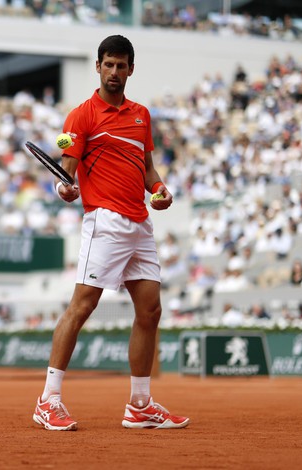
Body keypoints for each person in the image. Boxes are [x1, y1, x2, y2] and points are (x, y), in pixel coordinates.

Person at [32, 35, 189, 431]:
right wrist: (62, 188)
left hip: (140, 223)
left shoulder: (142, 115)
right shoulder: (80, 116)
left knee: (150, 310)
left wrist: (159, 189)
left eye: (121, 65)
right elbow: (66, 169)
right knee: (82, 307)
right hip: (105, 222)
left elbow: (147, 167)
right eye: (108, 65)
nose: (115, 72)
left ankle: (139, 404)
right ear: (98, 67)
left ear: (131, 69)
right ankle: (48, 400)